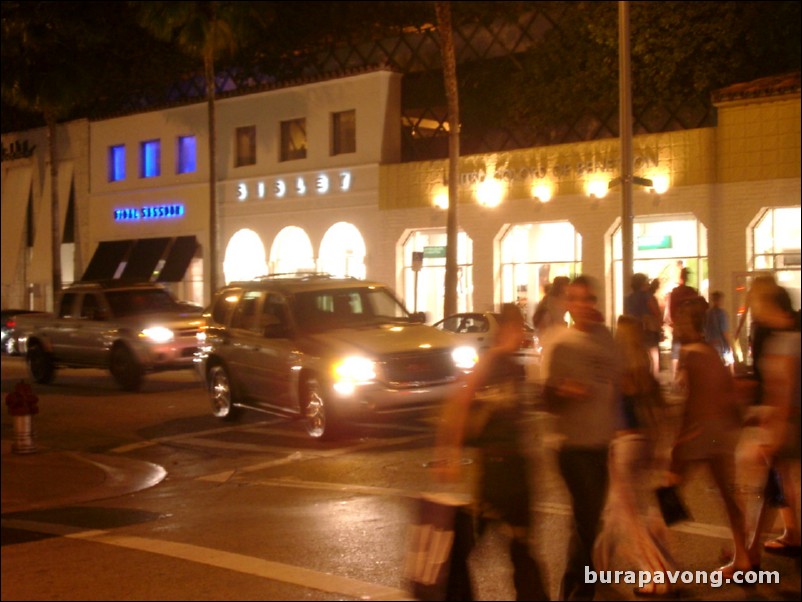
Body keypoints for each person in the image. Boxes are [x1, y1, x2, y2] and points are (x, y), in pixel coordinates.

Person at [434, 303, 550, 601]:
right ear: (508, 329)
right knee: (487, 540)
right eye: (518, 328)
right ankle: (448, 589)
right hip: (498, 466)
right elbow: (458, 407)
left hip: (515, 464)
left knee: (517, 544)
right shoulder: (490, 363)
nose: (521, 334)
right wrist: (449, 456)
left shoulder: (516, 365)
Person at [542, 275, 621, 601]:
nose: (585, 305)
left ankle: (581, 586)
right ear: (569, 305)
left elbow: (622, 378)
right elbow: (545, 398)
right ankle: (577, 592)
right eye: (578, 300)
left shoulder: (605, 337)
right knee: (587, 520)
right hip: (572, 447)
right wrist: (565, 390)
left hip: (602, 443)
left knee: (588, 521)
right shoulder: (560, 343)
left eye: (590, 299)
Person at [667, 296, 751, 577]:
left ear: (688, 323)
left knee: (669, 494)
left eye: (678, 319)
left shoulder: (691, 354)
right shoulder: (710, 350)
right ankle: (742, 557)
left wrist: (679, 443)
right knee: (727, 495)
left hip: (700, 433)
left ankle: (662, 566)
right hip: (721, 431)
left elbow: (694, 404)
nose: (674, 324)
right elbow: (728, 392)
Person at [595, 315, 675, 596]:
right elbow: (663, 413)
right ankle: (598, 569)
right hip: (644, 443)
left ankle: (659, 573)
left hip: (624, 444)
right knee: (615, 513)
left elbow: (608, 413)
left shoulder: (619, 372)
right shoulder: (645, 372)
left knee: (629, 517)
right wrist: (660, 449)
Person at [746, 282, 801, 566]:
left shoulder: (787, 342)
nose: (754, 310)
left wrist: (775, 431)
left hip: (788, 424)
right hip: (788, 422)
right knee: (780, 481)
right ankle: (792, 533)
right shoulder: (787, 336)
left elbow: (785, 391)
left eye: (756, 304)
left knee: (769, 488)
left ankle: (749, 555)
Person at [665, 267, 703, 384]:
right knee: (688, 352)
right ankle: (687, 379)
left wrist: (675, 322)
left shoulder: (675, 293)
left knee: (676, 353)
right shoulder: (692, 292)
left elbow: (671, 311)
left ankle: (674, 379)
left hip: (678, 327)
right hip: (690, 328)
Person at [624, 272, 663, 377]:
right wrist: (659, 323)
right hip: (648, 328)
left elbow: (627, 313)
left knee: (639, 354)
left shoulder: (628, 297)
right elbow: (655, 311)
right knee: (653, 353)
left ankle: (641, 377)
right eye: (647, 282)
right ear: (643, 283)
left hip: (633, 328)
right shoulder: (647, 296)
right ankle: (654, 377)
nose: (648, 284)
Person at [704, 291, 735, 373]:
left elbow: (704, 329)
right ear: (720, 300)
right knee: (730, 363)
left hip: (710, 343)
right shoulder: (722, 314)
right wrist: (729, 345)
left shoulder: (707, 313)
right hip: (720, 344)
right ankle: (730, 382)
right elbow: (724, 331)